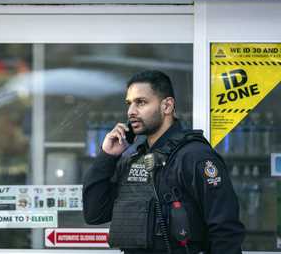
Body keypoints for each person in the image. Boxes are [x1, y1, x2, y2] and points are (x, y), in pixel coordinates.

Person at [83, 70, 245, 254]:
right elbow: (94, 214)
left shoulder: (194, 157)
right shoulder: (133, 160)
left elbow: (226, 232)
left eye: (141, 102)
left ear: (167, 106)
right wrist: (107, 156)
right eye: (129, 104)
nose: (131, 112)